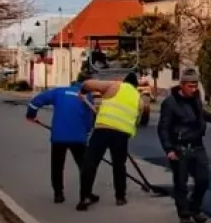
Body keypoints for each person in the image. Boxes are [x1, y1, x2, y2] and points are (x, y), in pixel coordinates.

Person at [157, 68, 211, 223]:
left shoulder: (195, 99)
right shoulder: (170, 103)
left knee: (203, 179)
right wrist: (169, 149)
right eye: (190, 86)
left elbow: (201, 113)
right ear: (182, 85)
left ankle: (195, 208)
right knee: (181, 183)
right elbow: (163, 128)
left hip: (197, 145)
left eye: (195, 86)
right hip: (179, 147)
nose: (193, 89)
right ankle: (184, 214)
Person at [25, 73, 96, 204]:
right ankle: (87, 194)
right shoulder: (87, 97)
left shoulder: (59, 92)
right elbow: (89, 119)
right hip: (78, 137)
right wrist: (86, 132)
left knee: (57, 166)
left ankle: (58, 194)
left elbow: (35, 103)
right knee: (84, 166)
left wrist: (31, 115)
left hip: (59, 136)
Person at [77, 72, 143, 211]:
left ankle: (85, 197)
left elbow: (87, 84)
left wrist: (82, 91)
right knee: (119, 166)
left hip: (102, 130)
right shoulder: (139, 99)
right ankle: (120, 197)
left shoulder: (115, 86)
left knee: (91, 163)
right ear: (136, 86)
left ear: (124, 81)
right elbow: (136, 121)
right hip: (121, 135)